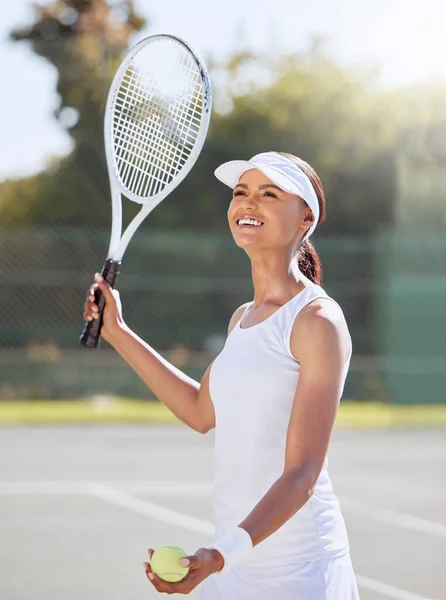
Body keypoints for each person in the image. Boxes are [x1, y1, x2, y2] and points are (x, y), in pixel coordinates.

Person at [83, 151, 360, 599]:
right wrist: (117, 332)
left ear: (305, 217)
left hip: (299, 570)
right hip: (232, 564)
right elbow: (199, 411)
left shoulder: (316, 321)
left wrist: (221, 553)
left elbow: (303, 473)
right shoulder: (242, 319)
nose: (248, 204)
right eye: (240, 193)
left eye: (269, 194)